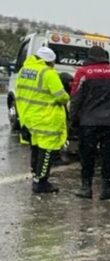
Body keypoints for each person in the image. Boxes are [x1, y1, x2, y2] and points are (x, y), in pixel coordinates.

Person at [69, 45, 110, 200]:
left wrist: (73, 119)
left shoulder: (83, 73)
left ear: (89, 58)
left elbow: (75, 97)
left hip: (89, 122)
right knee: (108, 156)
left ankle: (86, 188)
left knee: (87, 156)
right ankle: (107, 189)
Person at [14, 46, 70, 193]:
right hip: (46, 118)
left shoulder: (24, 70)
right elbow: (61, 96)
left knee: (36, 149)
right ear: (49, 61)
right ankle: (41, 182)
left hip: (29, 117)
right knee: (46, 152)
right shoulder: (48, 73)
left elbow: (19, 93)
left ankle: (36, 177)